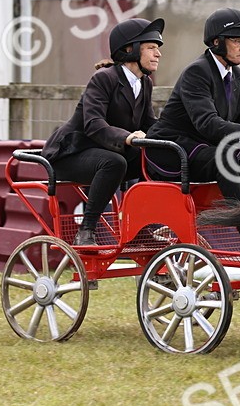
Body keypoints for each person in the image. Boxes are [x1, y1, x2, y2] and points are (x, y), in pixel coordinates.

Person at [148, 7, 240, 250]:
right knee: (228, 158)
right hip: (172, 151)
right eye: (237, 41)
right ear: (216, 42)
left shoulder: (238, 76)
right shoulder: (197, 71)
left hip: (203, 149)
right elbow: (207, 123)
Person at [42, 17, 164, 246]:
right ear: (130, 50)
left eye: (157, 48)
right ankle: (86, 231)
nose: (158, 54)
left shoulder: (145, 83)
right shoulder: (103, 78)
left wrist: (174, 136)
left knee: (155, 158)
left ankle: (140, 227)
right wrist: (127, 137)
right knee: (115, 162)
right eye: (151, 48)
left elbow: (150, 124)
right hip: (71, 153)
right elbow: (93, 124)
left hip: (104, 152)